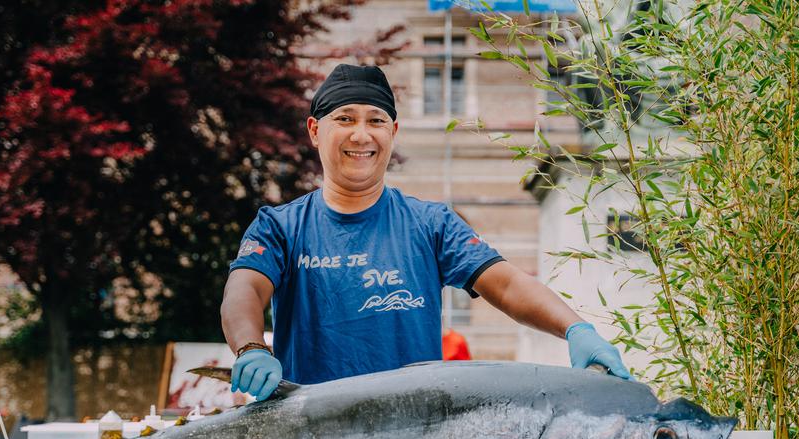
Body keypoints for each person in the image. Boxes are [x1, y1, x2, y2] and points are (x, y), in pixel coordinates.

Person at [221, 64, 632, 401]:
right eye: (344, 118)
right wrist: (252, 347)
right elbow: (245, 290)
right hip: (309, 431)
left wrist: (576, 328)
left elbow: (506, 284)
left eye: (375, 121)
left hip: (412, 436)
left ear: (392, 133)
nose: (361, 134)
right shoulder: (280, 227)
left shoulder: (431, 224)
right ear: (315, 130)